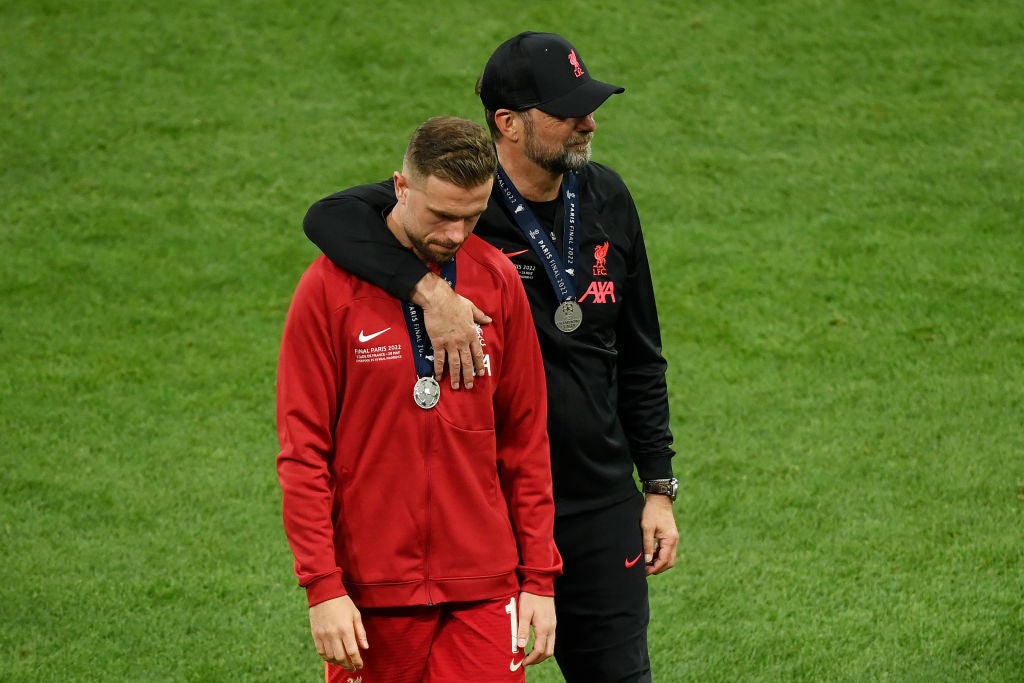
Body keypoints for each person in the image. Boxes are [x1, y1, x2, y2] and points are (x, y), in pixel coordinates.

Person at [304, 32, 678, 683]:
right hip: (492, 512)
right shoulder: (460, 208)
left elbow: (641, 353)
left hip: (599, 504)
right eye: (567, 111)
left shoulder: (607, 198)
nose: (587, 122)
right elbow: (329, 217)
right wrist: (429, 292)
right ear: (508, 122)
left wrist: (659, 485)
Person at [277, 116, 562, 683]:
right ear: (401, 187)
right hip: (370, 588)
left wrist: (537, 579)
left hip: (484, 585)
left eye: (473, 217)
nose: (456, 235)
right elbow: (303, 452)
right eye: (442, 216)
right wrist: (322, 587)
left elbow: (525, 439)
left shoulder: (498, 281)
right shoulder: (329, 290)